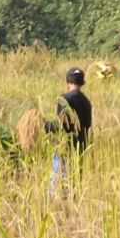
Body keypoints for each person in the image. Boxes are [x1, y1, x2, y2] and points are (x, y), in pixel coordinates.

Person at [45, 66, 92, 197]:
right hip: (81, 145)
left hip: (64, 145)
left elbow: (61, 125)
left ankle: (55, 201)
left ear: (67, 81)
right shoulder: (86, 101)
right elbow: (87, 124)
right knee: (75, 177)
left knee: (58, 175)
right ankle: (74, 201)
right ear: (82, 82)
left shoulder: (64, 99)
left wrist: (45, 124)